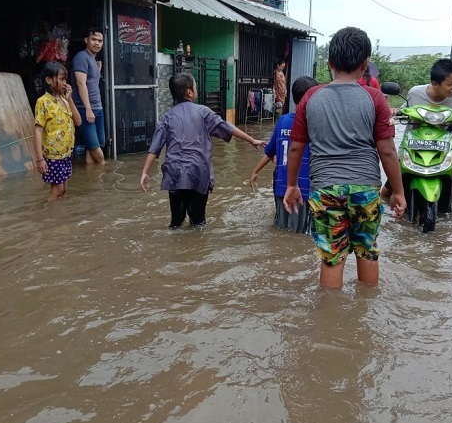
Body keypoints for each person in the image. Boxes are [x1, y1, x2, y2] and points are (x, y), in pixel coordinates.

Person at [283, 27, 406, 289]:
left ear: (329, 64)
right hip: (365, 188)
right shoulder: (374, 98)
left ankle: (329, 321)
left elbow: (295, 148)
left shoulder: (311, 97)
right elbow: (387, 150)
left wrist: (292, 185)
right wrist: (398, 191)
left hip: (325, 189)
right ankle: (365, 313)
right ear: (365, 65)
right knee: (367, 251)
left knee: (331, 258)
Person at [141, 72, 266, 228]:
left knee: (176, 222)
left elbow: (154, 147)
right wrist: (252, 140)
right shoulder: (203, 112)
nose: (196, 90)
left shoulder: (167, 117)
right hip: (198, 173)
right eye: (195, 86)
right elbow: (228, 128)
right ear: (189, 92)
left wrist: (145, 172)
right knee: (198, 222)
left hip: (174, 174)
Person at [381, 58, 452, 209]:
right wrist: (394, 111)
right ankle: (382, 209)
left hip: (441, 145)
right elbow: (404, 108)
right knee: (392, 183)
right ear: (435, 83)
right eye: (450, 84)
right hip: (413, 144)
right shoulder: (415, 93)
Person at [249, 76, 318, 233]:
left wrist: (255, 171)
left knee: (281, 228)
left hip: (281, 185)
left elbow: (269, 151)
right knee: (299, 233)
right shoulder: (314, 124)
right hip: (304, 189)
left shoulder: (283, 121)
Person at [34, 61, 82, 201]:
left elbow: (78, 122)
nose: (63, 82)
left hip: (67, 153)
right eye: (60, 79)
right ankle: (46, 215)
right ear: (48, 80)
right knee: (57, 190)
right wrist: (40, 159)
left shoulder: (65, 100)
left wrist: (70, 100)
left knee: (64, 189)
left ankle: (58, 217)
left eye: (64, 79)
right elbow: (38, 131)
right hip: (53, 155)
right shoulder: (43, 102)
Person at [72, 27, 105, 165]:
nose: (97, 43)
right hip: (85, 109)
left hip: (97, 107)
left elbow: (91, 82)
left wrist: (97, 71)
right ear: (86, 40)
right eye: (94, 39)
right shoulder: (81, 57)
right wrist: (88, 109)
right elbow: (81, 84)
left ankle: (93, 180)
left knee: (94, 147)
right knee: (94, 146)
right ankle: (105, 175)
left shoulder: (92, 59)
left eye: (100, 40)